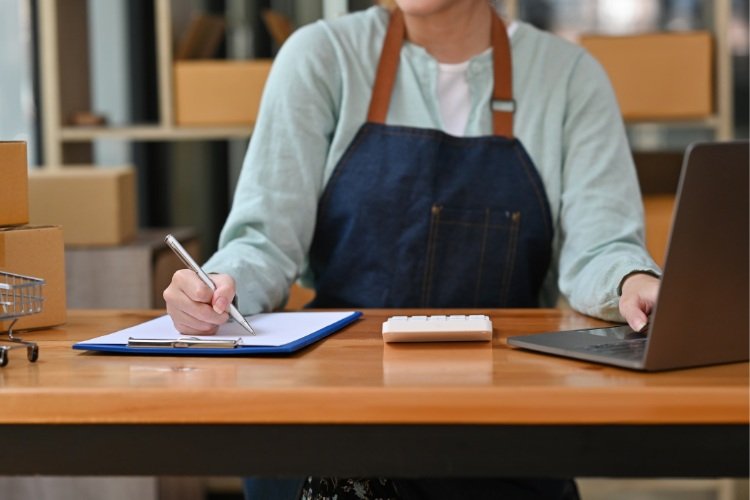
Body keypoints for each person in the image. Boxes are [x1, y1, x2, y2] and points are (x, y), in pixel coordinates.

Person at [164, 0, 661, 498]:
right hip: (329, 429)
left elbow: (601, 245)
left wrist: (632, 282)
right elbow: (264, 240)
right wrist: (217, 289)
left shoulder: (569, 76)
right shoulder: (322, 56)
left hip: (500, 432)